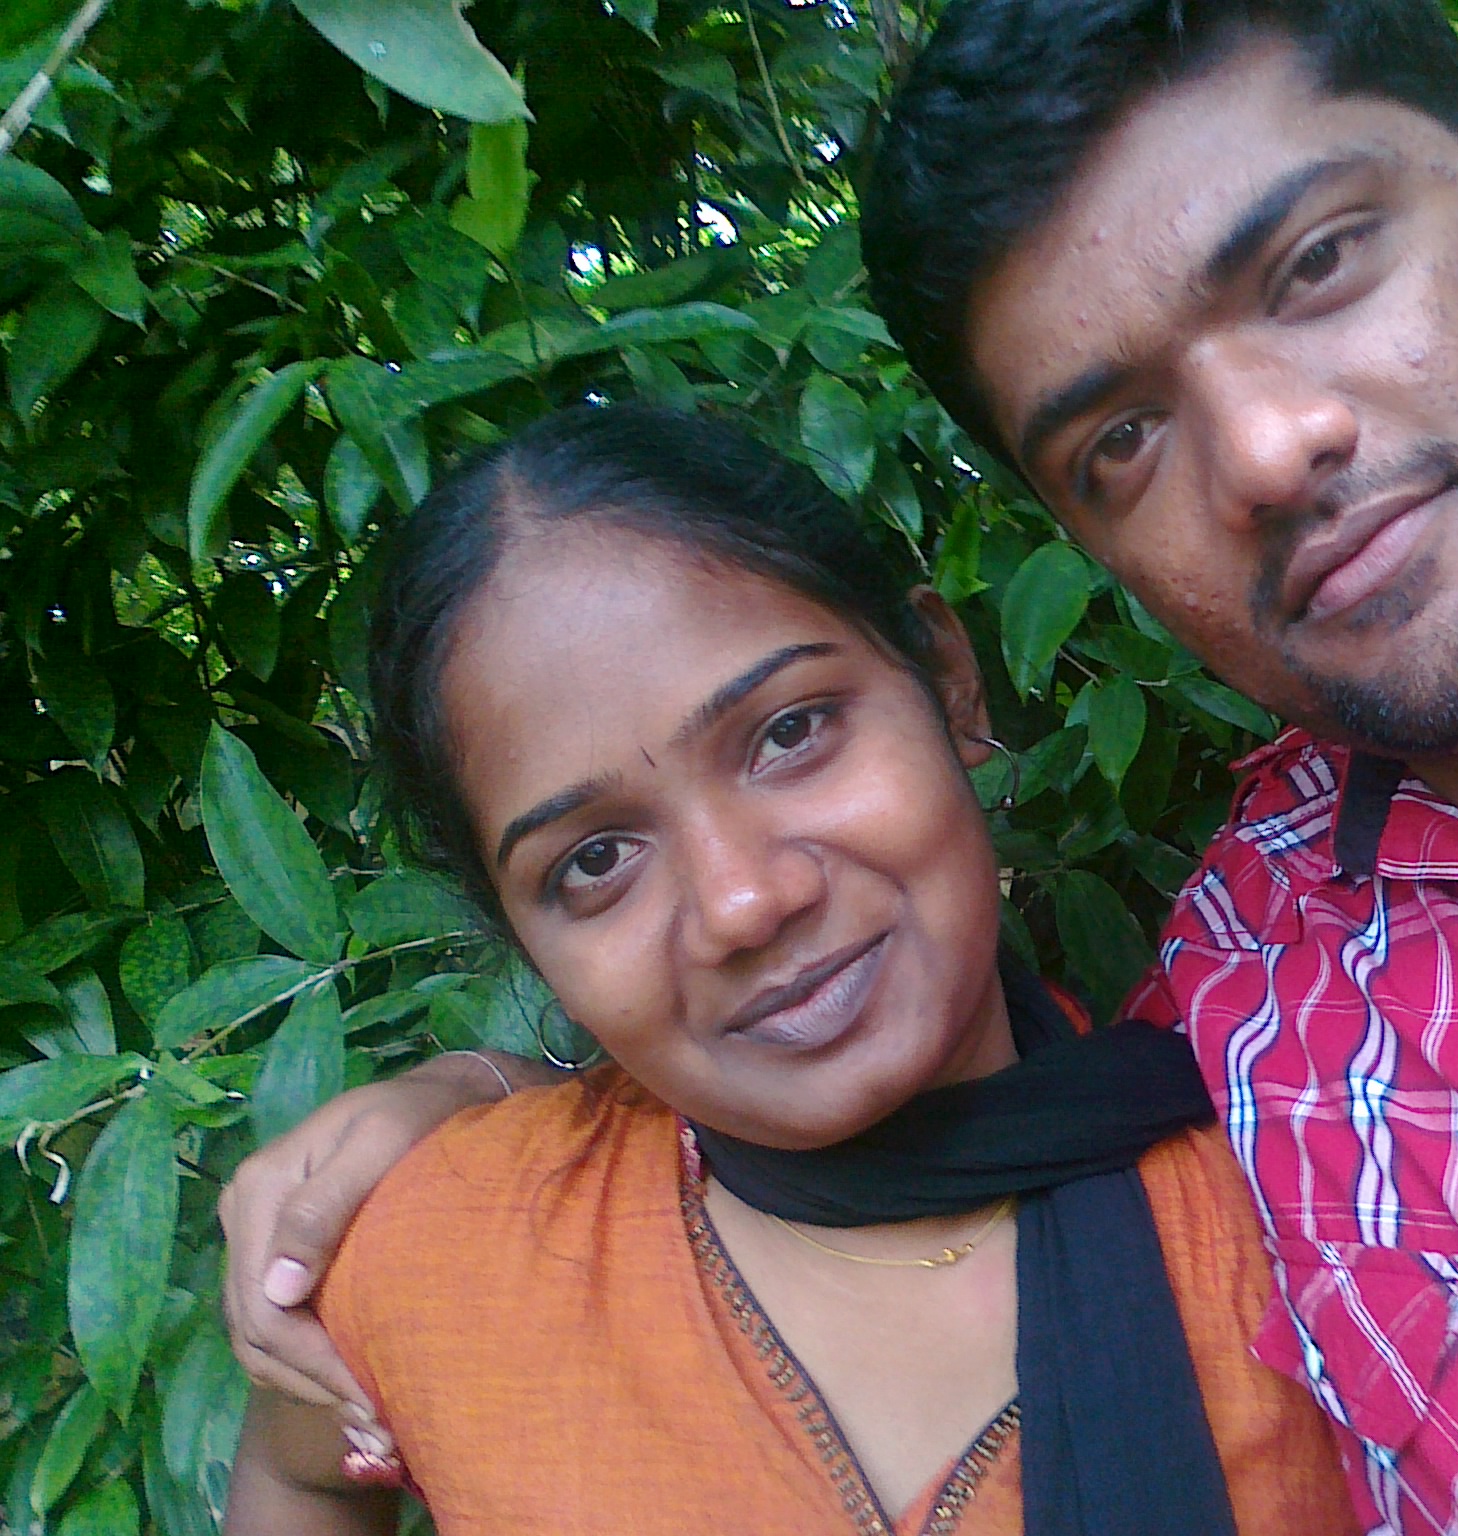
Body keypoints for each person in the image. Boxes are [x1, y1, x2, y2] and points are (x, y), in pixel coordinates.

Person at [222, 0, 1458, 1530]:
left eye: (1318, 264)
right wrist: (465, 1094)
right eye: (1118, 438)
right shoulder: (1258, 959)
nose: (1261, 448)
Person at [221, 404, 1358, 1535]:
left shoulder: (1330, 1211)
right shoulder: (446, 1249)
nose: (743, 903)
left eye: (789, 732)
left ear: (947, 682)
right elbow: (296, 1462)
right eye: (596, 861)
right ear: (526, 938)